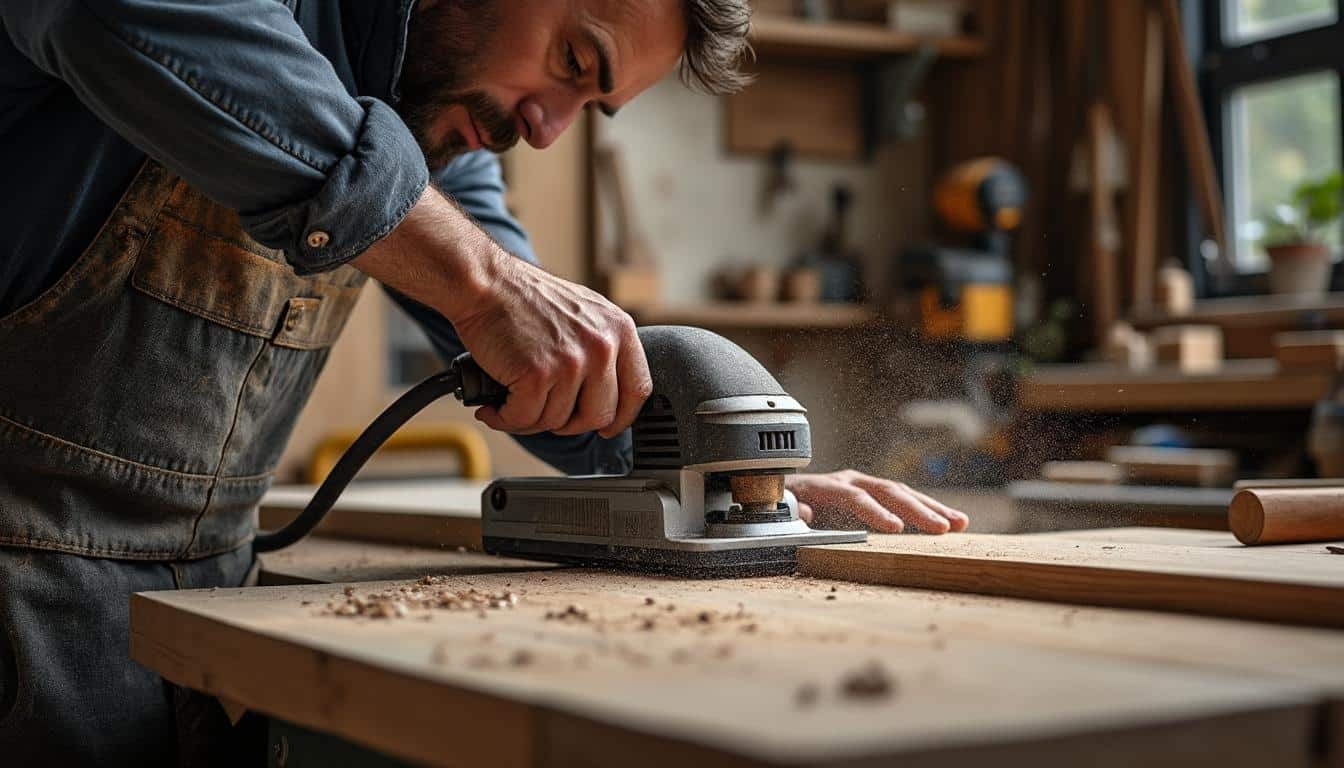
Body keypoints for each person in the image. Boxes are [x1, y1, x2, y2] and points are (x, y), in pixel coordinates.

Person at [0, 0, 968, 763]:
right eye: (573, 64)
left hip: (204, 594)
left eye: (594, 105)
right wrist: (478, 280)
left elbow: (564, 365)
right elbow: (116, 9)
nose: (547, 131)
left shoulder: (437, 129)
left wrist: (722, 483)